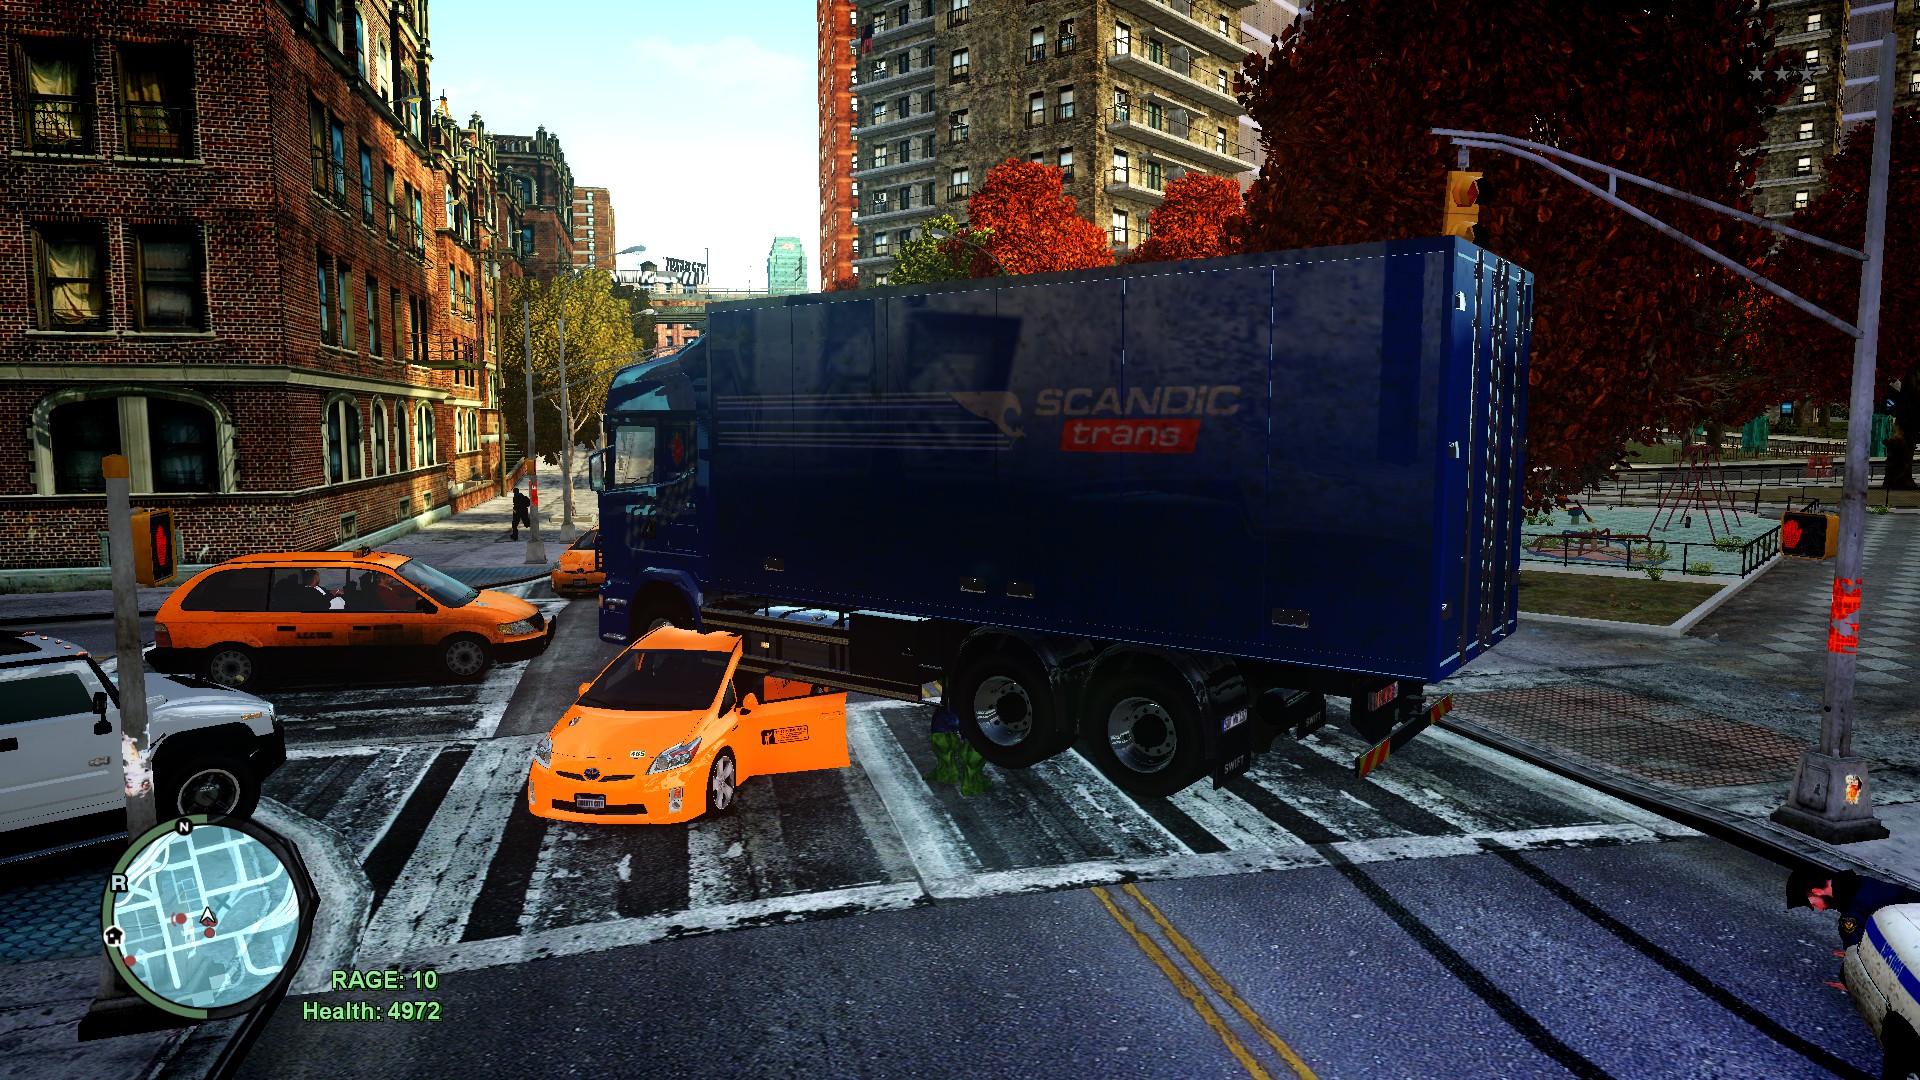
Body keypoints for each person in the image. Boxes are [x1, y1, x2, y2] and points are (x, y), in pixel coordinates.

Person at [1788, 868, 1920, 949]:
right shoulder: (1855, 882)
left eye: (1815, 904)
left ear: (1817, 891)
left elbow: (1861, 952)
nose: (1821, 909)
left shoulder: (1852, 911)